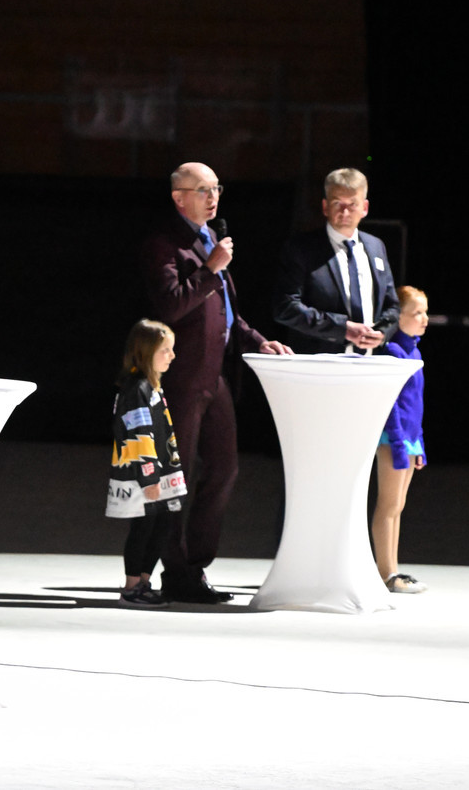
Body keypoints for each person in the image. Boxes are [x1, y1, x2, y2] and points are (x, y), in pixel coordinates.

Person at [141, 162, 293, 604]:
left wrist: (258, 340)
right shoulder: (164, 244)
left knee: (225, 468)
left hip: (216, 374)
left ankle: (195, 565)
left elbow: (226, 314)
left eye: (216, 189)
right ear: (178, 198)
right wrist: (211, 268)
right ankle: (175, 571)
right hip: (181, 375)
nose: (212, 198)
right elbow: (170, 307)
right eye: (202, 190)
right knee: (178, 475)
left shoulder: (211, 241)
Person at [273, 167, 400, 354]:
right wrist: (342, 329)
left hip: (369, 361)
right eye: (337, 203)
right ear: (325, 207)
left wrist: (382, 332)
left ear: (365, 208)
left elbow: (392, 306)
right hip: (320, 361)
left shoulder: (376, 247)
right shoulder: (301, 249)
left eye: (352, 204)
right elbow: (285, 307)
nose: (345, 212)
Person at [105, 319, 186, 609]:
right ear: (146, 352)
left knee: (161, 526)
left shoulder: (152, 386)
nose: (172, 356)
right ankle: (131, 588)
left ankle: (143, 581)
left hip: (161, 472)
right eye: (165, 350)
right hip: (144, 475)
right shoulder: (136, 388)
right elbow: (138, 434)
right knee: (143, 527)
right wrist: (149, 477)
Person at [372, 286, 430, 594]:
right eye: (417, 313)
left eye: (425, 312)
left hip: (410, 438)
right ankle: (386, 573)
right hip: (393, 438)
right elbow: (391, 404)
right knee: (388, 505)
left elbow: (415, 404)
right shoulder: (392, 351)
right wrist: (396, 442)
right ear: (398, 317)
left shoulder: (413, 352)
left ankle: (392, 569)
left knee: (398, 506)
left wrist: (419, 443)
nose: (424, 319)